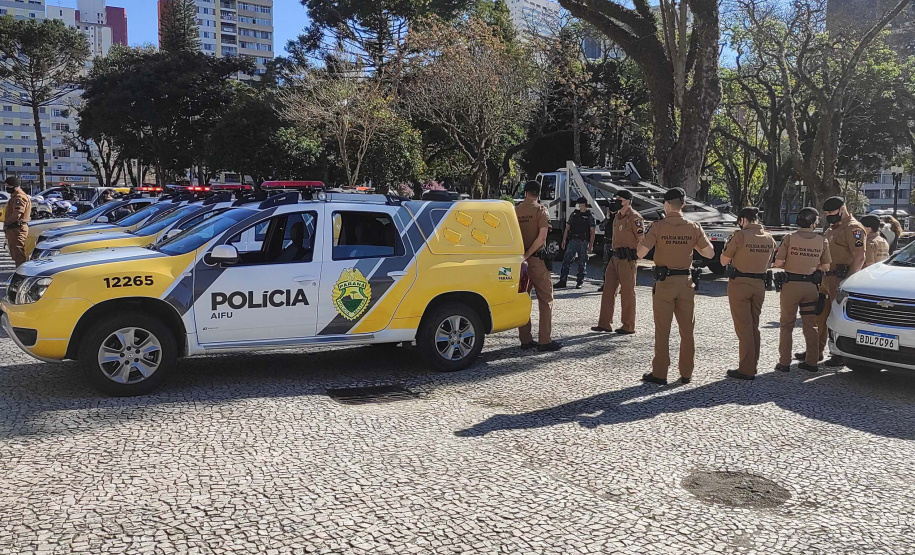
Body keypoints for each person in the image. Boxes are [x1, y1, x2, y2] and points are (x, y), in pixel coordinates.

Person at [637, 188, 715, 385]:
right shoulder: (694, 227)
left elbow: (640, 253)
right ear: (684, 205)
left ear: (666, 205)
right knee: (687, 330)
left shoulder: (658, 226)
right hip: (686, 283)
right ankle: (686, 372)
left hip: (665, 282)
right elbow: (710, 254)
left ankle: (660, 373)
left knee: (663, 329)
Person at [800, 196, 866, 367]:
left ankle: (839, 353)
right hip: (825, 278)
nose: (829, 215)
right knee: (818, 314)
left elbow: (860, 257)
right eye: (827, 213)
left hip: (840, 279)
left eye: (831, 212)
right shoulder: (831, 229)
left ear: (842, 209)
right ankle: (815, 351)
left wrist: (848, 283)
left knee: (837, 318)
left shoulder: (854, 229)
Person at [719, 207, 776, 380]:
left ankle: (746, 369)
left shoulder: (739, 236)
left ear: (743, 220)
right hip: (759, 284)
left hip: (740, 284)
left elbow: (723, 261)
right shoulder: (769, 238)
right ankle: (753, 364)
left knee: (743, 327)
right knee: (753, 326)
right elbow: (771, 263)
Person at [774, 207, 831, 373]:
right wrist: (811, 266)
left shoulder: (790, 238)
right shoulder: (822, 240)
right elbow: (826, 266)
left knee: (786, 325)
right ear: (814, 223)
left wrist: (792, 264)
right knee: (811, 325)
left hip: (791, 285)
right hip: (811, 286)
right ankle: (812, 361)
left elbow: (778, 263)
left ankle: (784, 362)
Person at [516, 180, 562, 352]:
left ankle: (525, 339)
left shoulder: (515, 211)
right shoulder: (540, 210)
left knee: (523, 299)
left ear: (525, 192)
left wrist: (522, 257)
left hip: (520, 262)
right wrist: (528, 256)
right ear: (538, 193)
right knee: (546, 299)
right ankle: (544, 341)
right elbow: (542, 238)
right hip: (535, 261)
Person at [593, 189, 644, 334]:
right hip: (614, 257)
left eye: (619, 199)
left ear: (628, 201)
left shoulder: (635, 218)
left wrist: (637, 256)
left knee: (627, 292)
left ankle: (628, 325)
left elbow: (642, 239)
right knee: (608, 290)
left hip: (627, 259)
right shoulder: (617, 217)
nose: (616, 201)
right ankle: (604, 323)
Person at [556, 197, 595, 289]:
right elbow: (567, 227)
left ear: (584, 204)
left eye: (580, 204)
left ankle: (579, 282)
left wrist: (591, 245)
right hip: (573, 240)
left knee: (582, 262)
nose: (578, 205)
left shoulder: (589, 216)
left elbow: (592, 232)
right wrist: (564, 240)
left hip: (583, 242)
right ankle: (563, 281)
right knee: (566, 261)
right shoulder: (574, 214)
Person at [3, 177, 32, 267]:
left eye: (8, 186)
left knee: (19, 255)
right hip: (14, 229)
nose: (7, 188)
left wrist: (7, 223)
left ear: (14, 186)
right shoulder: (15, 197)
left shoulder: (19, 197)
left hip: (17, 229)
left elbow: (17, 214)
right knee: (16, 254)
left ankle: (21, 276)